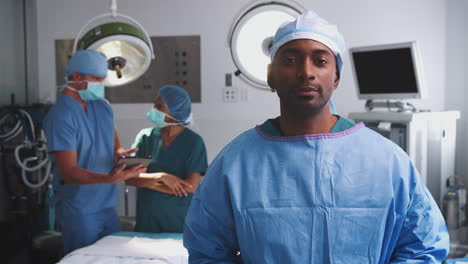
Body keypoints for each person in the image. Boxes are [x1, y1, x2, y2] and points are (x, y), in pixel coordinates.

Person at [183, 11, 449, 263]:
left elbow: (422, 246)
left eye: (320, 61)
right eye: (289, 60)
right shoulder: (235, 164)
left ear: (336, 78)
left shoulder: (388, 161)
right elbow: (207, 251)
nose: (306, 72)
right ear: (270, 76)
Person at [43, 49, 146, 254]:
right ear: (77, 76)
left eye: (102, 79)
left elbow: (112, 137)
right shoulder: (62, 115)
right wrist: (110, 179)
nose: (100, 85)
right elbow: (69, 173)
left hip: (106, 204)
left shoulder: (102, 106)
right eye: (95, 79)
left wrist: (119, 151)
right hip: (80, 208)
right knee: (85, 258)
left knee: (112, 256)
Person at [126, 85, 208, 233]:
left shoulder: (193, 142)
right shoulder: (146, 137)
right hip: (147, 218)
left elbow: (190, 187)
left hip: (177, 220)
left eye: (159, 106)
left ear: (174, 112)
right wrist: (162, 177)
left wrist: (147, 182)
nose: (153, 109)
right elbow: (129, 178)